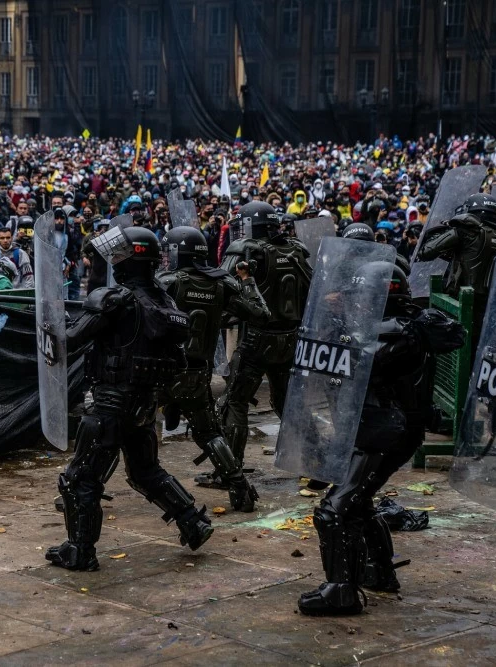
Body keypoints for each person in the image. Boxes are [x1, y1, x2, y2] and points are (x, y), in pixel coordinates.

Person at [298, 266, 464, 615]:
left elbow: (360, 364)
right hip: (394, 431)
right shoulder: (409, 323)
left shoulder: (395, 334)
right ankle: (379, 571)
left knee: (333, 511)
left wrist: (339, 340)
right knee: (360, 502)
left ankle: (340, 591)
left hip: (382, 432)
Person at [45, 225, 212, 572]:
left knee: (80, 480)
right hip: (143, 406)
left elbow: (69, 340)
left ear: (125, 262)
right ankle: (193, 521)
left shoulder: (115, 300)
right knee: (145, 472)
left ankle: (80, 551)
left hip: (109, 405)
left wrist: (52, 323)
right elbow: (178, 360)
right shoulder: (166, 301)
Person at [157, 226, 268, 511]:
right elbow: (260, 314)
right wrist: (247, 279)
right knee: (208, 433)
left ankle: (87, 488)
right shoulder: (224, 283)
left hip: (160, 372)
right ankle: (239, 487)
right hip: (198, 373)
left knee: (124, 428)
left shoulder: (165, 281)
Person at [214, 201, 312, 485]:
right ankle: (310, 461)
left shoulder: (246, 250)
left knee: (235, 401)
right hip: (291, 339)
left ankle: (230, 472)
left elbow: (222, 286)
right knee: (286, 403)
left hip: (257, 339)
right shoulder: (296, 250)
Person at [417, 192, 496, 356]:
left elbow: (426, 252)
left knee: (452, 358)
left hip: (459, 305)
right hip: (492, 308)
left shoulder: (467, 229)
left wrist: (447, 231)